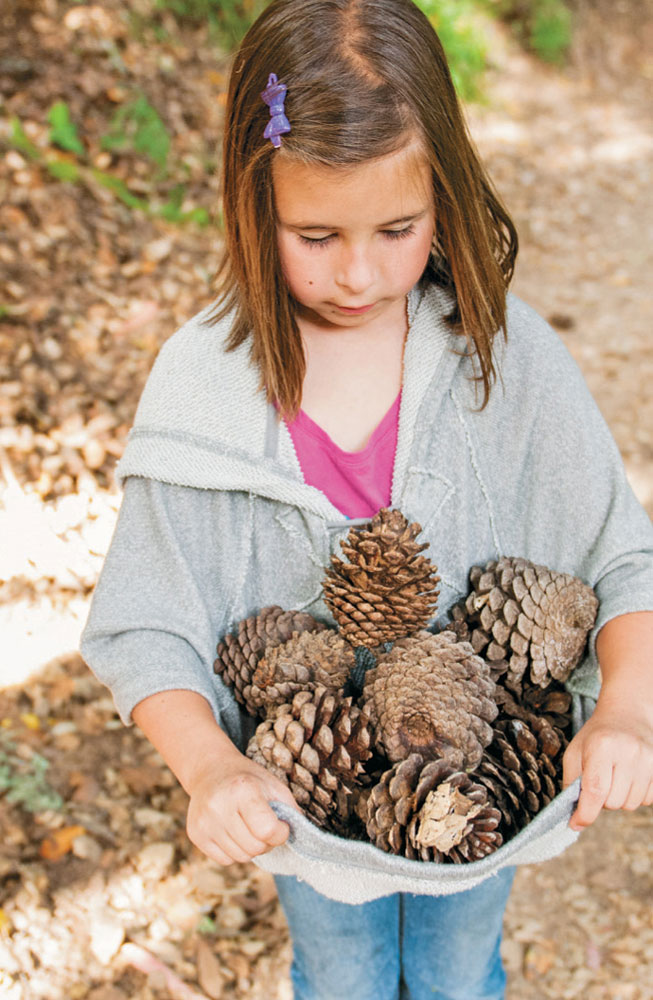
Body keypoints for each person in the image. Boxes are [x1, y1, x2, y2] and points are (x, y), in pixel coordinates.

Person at [80, 1, 653, 997]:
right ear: (250, 206)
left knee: (453, 968)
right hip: (308, 817)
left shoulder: (503, 364)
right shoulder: (200, 386)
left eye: (396, 228)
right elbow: (146, 623)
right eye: (314, 234)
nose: (357, 271)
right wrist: (211, 767)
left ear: (446, 192)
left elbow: (619, 556)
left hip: (485, 786)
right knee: (338, 971)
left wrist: (628, 714)